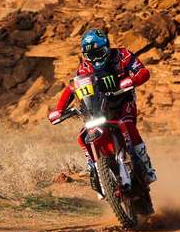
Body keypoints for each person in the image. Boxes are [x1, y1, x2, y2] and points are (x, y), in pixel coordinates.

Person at [48, 28, 157, 197]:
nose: (95, 58)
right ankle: (96, 170)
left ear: (106, 47)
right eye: (91, 55)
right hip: (97, 108)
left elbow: (143, 71)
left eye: (99, 53)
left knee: (128, 124)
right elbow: (73, 88)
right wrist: (59, 110)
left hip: (123, 101)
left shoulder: (122, 55)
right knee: (84, 134)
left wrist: (133, 79)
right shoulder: (84, 68)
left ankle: (146, 166)